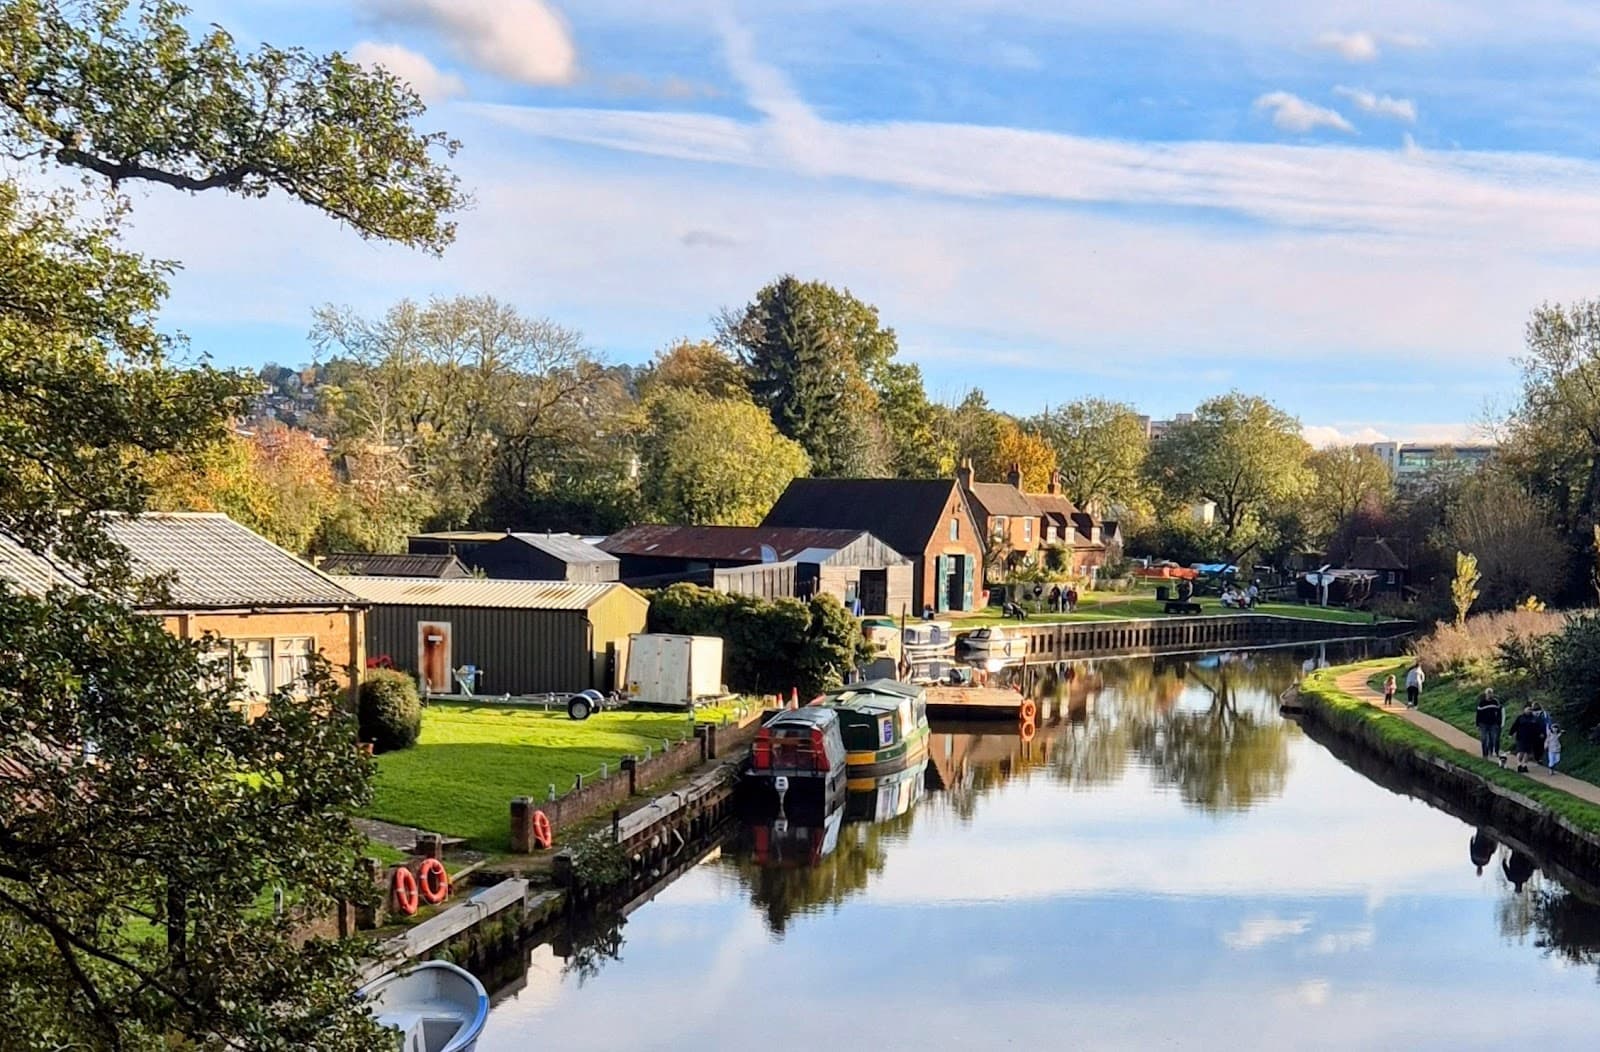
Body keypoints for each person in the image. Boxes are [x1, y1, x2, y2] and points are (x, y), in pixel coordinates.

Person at [1509, 703, 1545, 773]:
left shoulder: (1534, 718)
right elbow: (1515, 726)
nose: (1529, 711)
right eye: (1528, 709)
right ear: (1524, 710)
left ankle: (1524, 765)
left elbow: (1538, 727)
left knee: (1527, 752)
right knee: (1521, 751)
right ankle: (1519, 764)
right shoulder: (1520, 718)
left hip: (1530, 738)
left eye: (1530, 709)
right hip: (1521, 737)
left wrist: (1540, 733)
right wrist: (1511, 733)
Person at [1475, 688, 1504, 762]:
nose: (1490, 695)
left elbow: (1499, 713)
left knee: (1494, 738)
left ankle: (1494, 751)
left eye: (1491, 693)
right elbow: (1478, 714)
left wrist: (1499, 722)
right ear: (1486, 694)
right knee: (1484, 739)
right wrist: (1477, 724)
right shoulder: (1482, 703)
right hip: (1483, 724)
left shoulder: (1495, 702)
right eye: (1488, 693)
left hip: (1493, 723)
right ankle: (1485, 754)